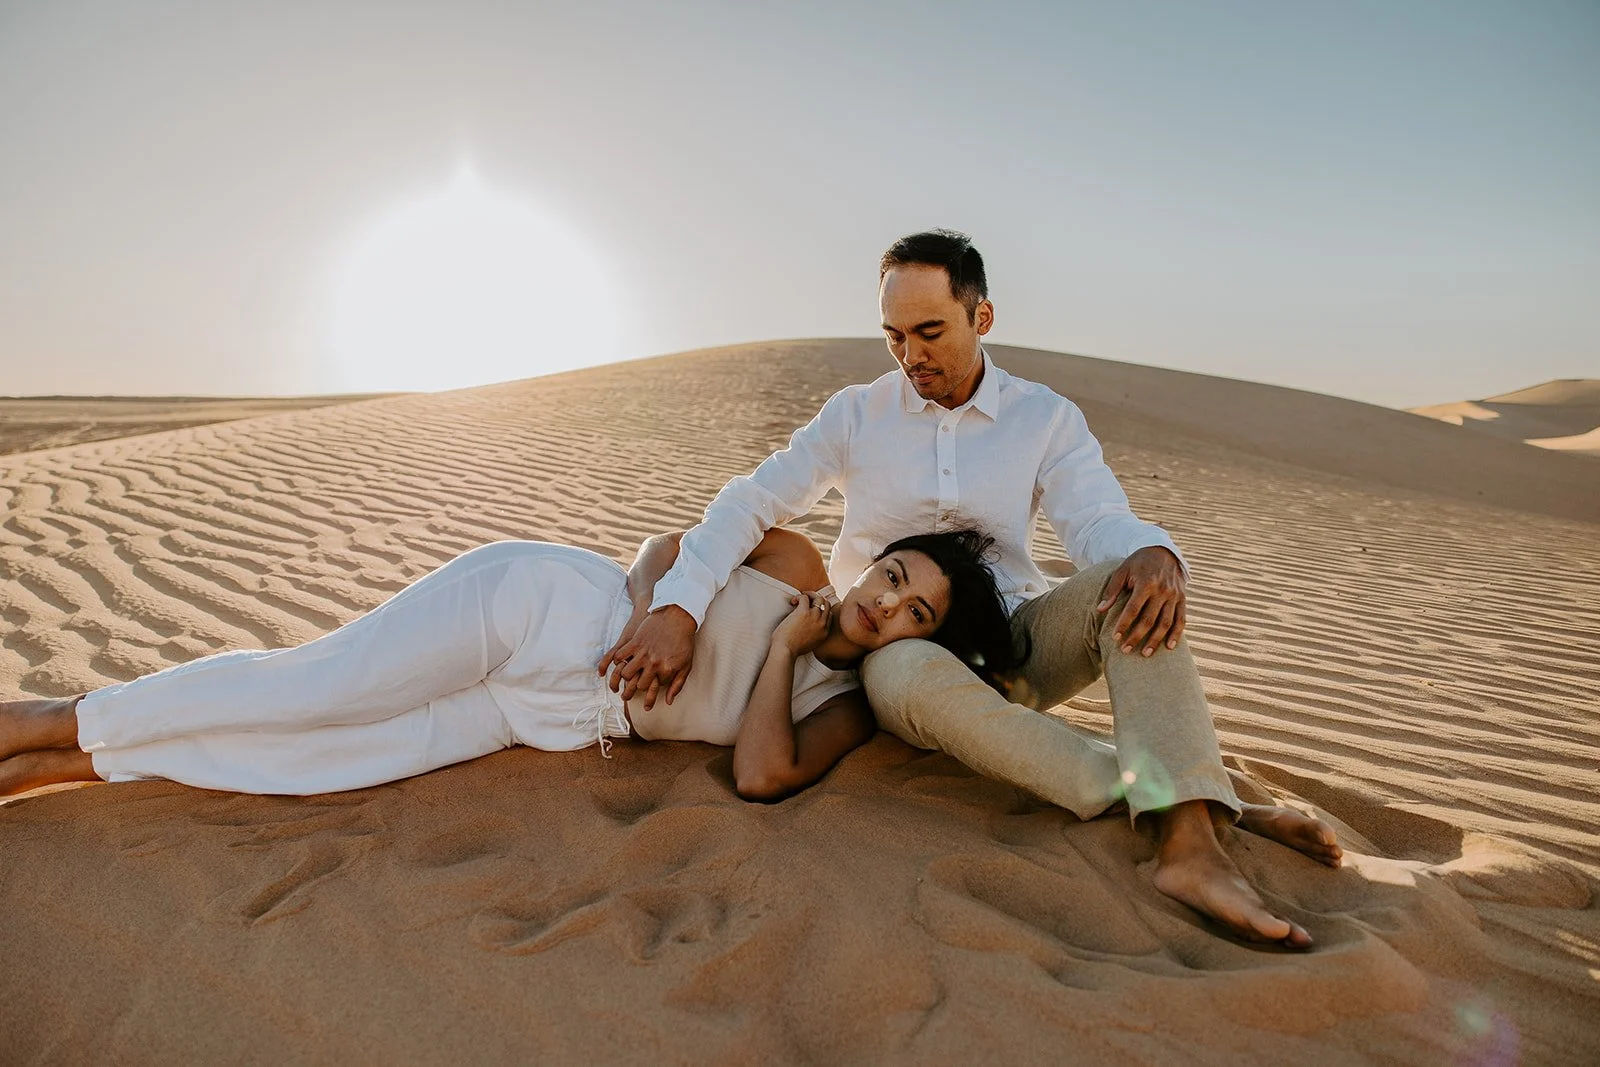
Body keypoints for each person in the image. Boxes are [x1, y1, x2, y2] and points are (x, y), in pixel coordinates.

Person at [606, 229, 1343, 949]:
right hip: (893, 652)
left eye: (929, 331)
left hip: (1012, 649)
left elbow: (1096, 520)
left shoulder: (1043, 416)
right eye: (893, 336)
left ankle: (1188, 843)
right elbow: (752, 501)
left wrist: (1154, 551)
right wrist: (678, 604)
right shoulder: (858, 413)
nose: (910, 355)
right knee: (905, 665)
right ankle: (1203, 798)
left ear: (981, 317)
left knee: (1136, 585)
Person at [0, 526, 1018, 802]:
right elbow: (671, 546)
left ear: (918, 642)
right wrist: (646, 612)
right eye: (891, 574)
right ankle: (49, 716)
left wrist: (791, 647)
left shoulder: (845, 704)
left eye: (910, 610)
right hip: (545, 610)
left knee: (335, 759)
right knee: (317, 689)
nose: (882, 600)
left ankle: (75, 765)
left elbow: (760, 773)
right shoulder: (793, 557)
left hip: (557, 719)